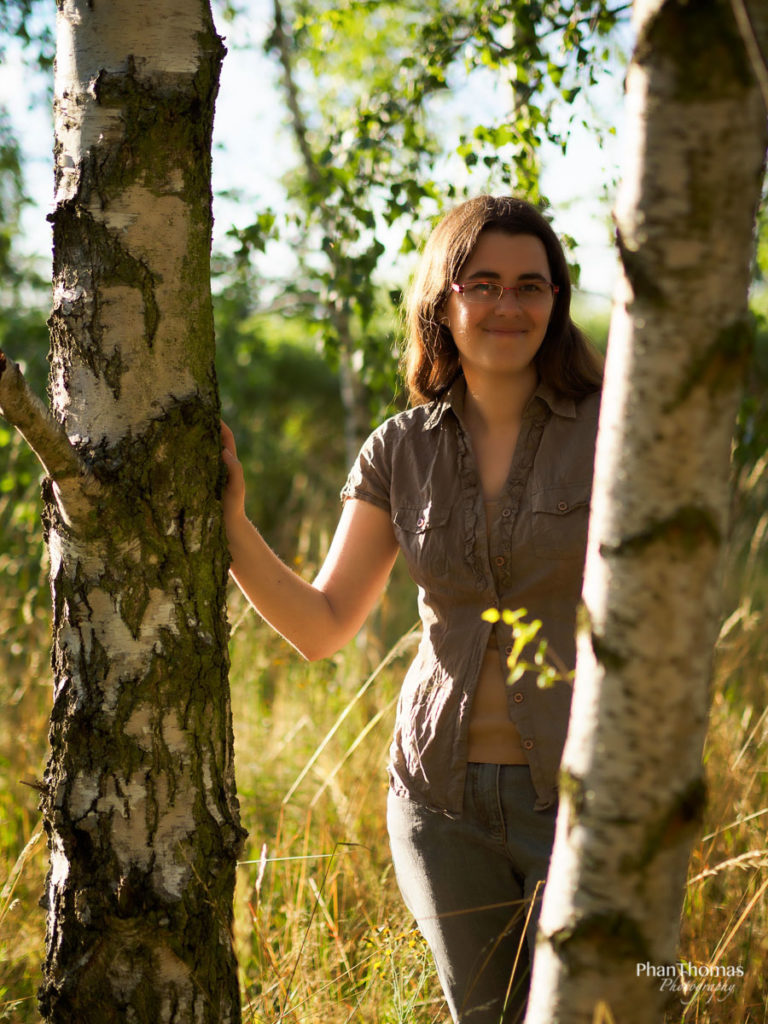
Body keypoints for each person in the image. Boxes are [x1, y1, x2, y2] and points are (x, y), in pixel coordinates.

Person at [221, 194, 603, 1022]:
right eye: (484, 283)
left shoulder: (614, 436)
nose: (509, 304)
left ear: (557, 302)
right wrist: (233, 525)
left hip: (586, 799)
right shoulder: (401, 448)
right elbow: (323, 627)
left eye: (531, 286)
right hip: (441, 808)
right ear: (444, 299)